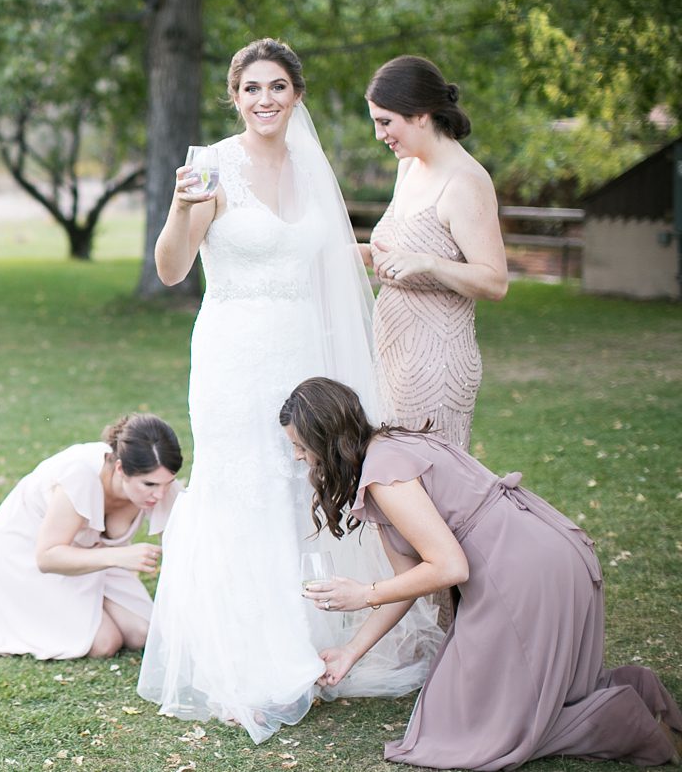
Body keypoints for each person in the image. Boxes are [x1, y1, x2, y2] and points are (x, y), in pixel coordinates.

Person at [138, 39, 438, 743]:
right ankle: (245, 653)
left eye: (277, 86)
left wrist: (379, 258)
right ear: (234, 95)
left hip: (301, 353)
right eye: (251, 88)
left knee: (296, 489)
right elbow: (174, 267)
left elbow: (329, 259)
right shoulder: (210, 164)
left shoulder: (311, 168)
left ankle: (309, 634)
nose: (264, 99)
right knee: (240, 486)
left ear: (296, 94)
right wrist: (183, 209)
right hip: (234, 353)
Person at [282, 376, 682, 769]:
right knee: (479, 707)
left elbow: (450, 566)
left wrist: (364, 593)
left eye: (301, 447)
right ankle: (637, 694)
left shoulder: (384, 474)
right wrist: (351, 652)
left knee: (463, 734)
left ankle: (621, 722)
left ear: (325, 438)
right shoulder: (389, 447)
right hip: (550, 550)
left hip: (519, 572)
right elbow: (407, 583)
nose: (300, 457)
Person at [0, 413, 183, 661]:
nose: (160, 494)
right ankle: (60, 613)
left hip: (97, 561)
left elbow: (183, 548)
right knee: (104, 643)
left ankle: (91, 605)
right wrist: (119, 556)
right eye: (149, 485)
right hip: (30, 558)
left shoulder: (160, 482)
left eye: (168, 483)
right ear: (121, 469)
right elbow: (47, 557)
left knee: (142, 633)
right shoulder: (80, 476)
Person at [366, 56, 507, 450]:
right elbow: (401, 250)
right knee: (390, 490)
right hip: (392, 354)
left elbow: (495, 282)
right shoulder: (408, 167)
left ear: (421, 115)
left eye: (385, 122)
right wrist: (360, 254)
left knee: (424, 490)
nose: (380, 135)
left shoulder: (466, 182)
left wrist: (429, 263)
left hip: (436, 366)